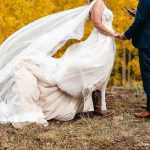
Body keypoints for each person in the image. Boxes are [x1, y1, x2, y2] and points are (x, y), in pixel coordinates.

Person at [0, 0, 119, 128]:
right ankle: (98, 106)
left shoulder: (98, 2)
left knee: (102, 72)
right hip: (101, 41)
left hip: (105, 41)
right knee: (96, 70)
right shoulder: (98, 2)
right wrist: (113, 33)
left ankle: (99, 104)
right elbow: (96, 22)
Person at [120, 0, 150, 118]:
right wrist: (138, 13)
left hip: (147, 41)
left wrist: (126, 34)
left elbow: (140, 20)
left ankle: (149, 109)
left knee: (147, 74)